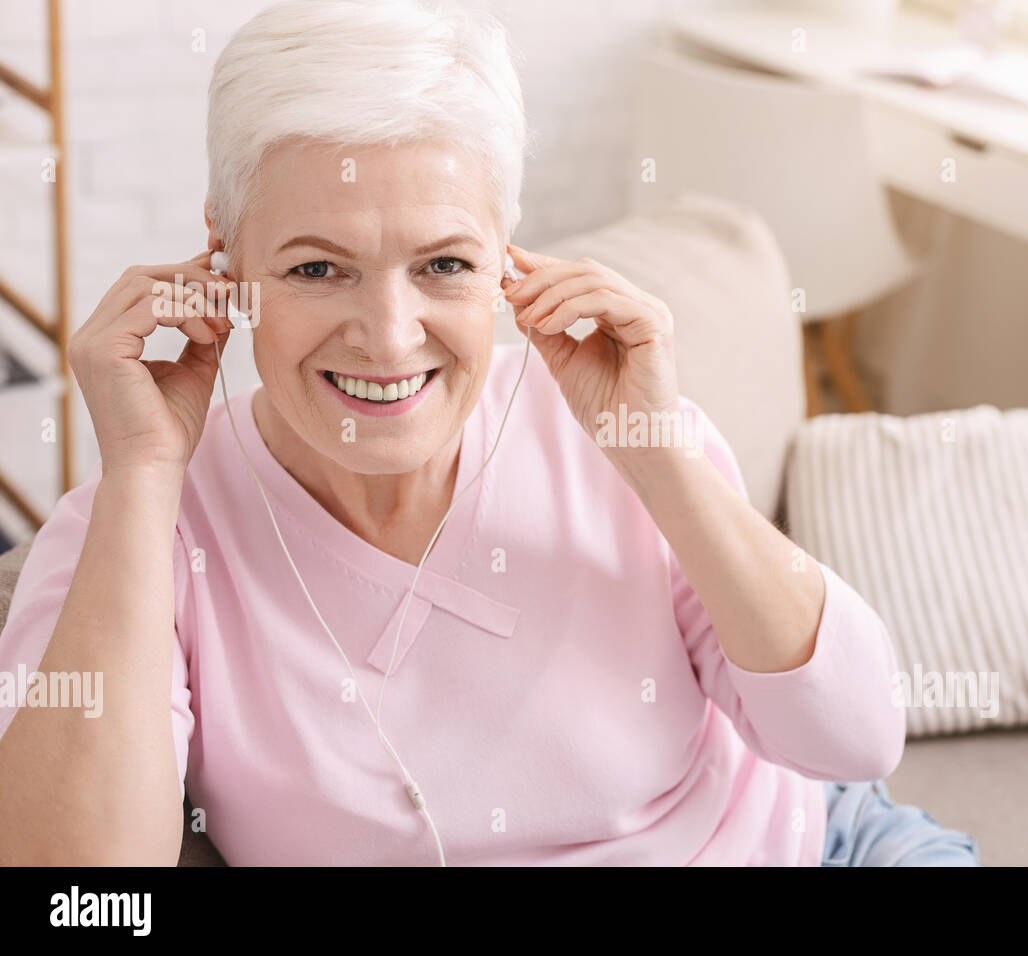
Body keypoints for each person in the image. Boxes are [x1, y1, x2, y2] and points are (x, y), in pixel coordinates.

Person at [0, 0, 978, 867]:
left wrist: (658, 458)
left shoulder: (612, 432)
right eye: (315, 269)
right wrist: (140, 474)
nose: (387, 336)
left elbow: (857, 741)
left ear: (505, 247)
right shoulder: (133, 525)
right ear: (226, 255)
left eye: (443, 264)